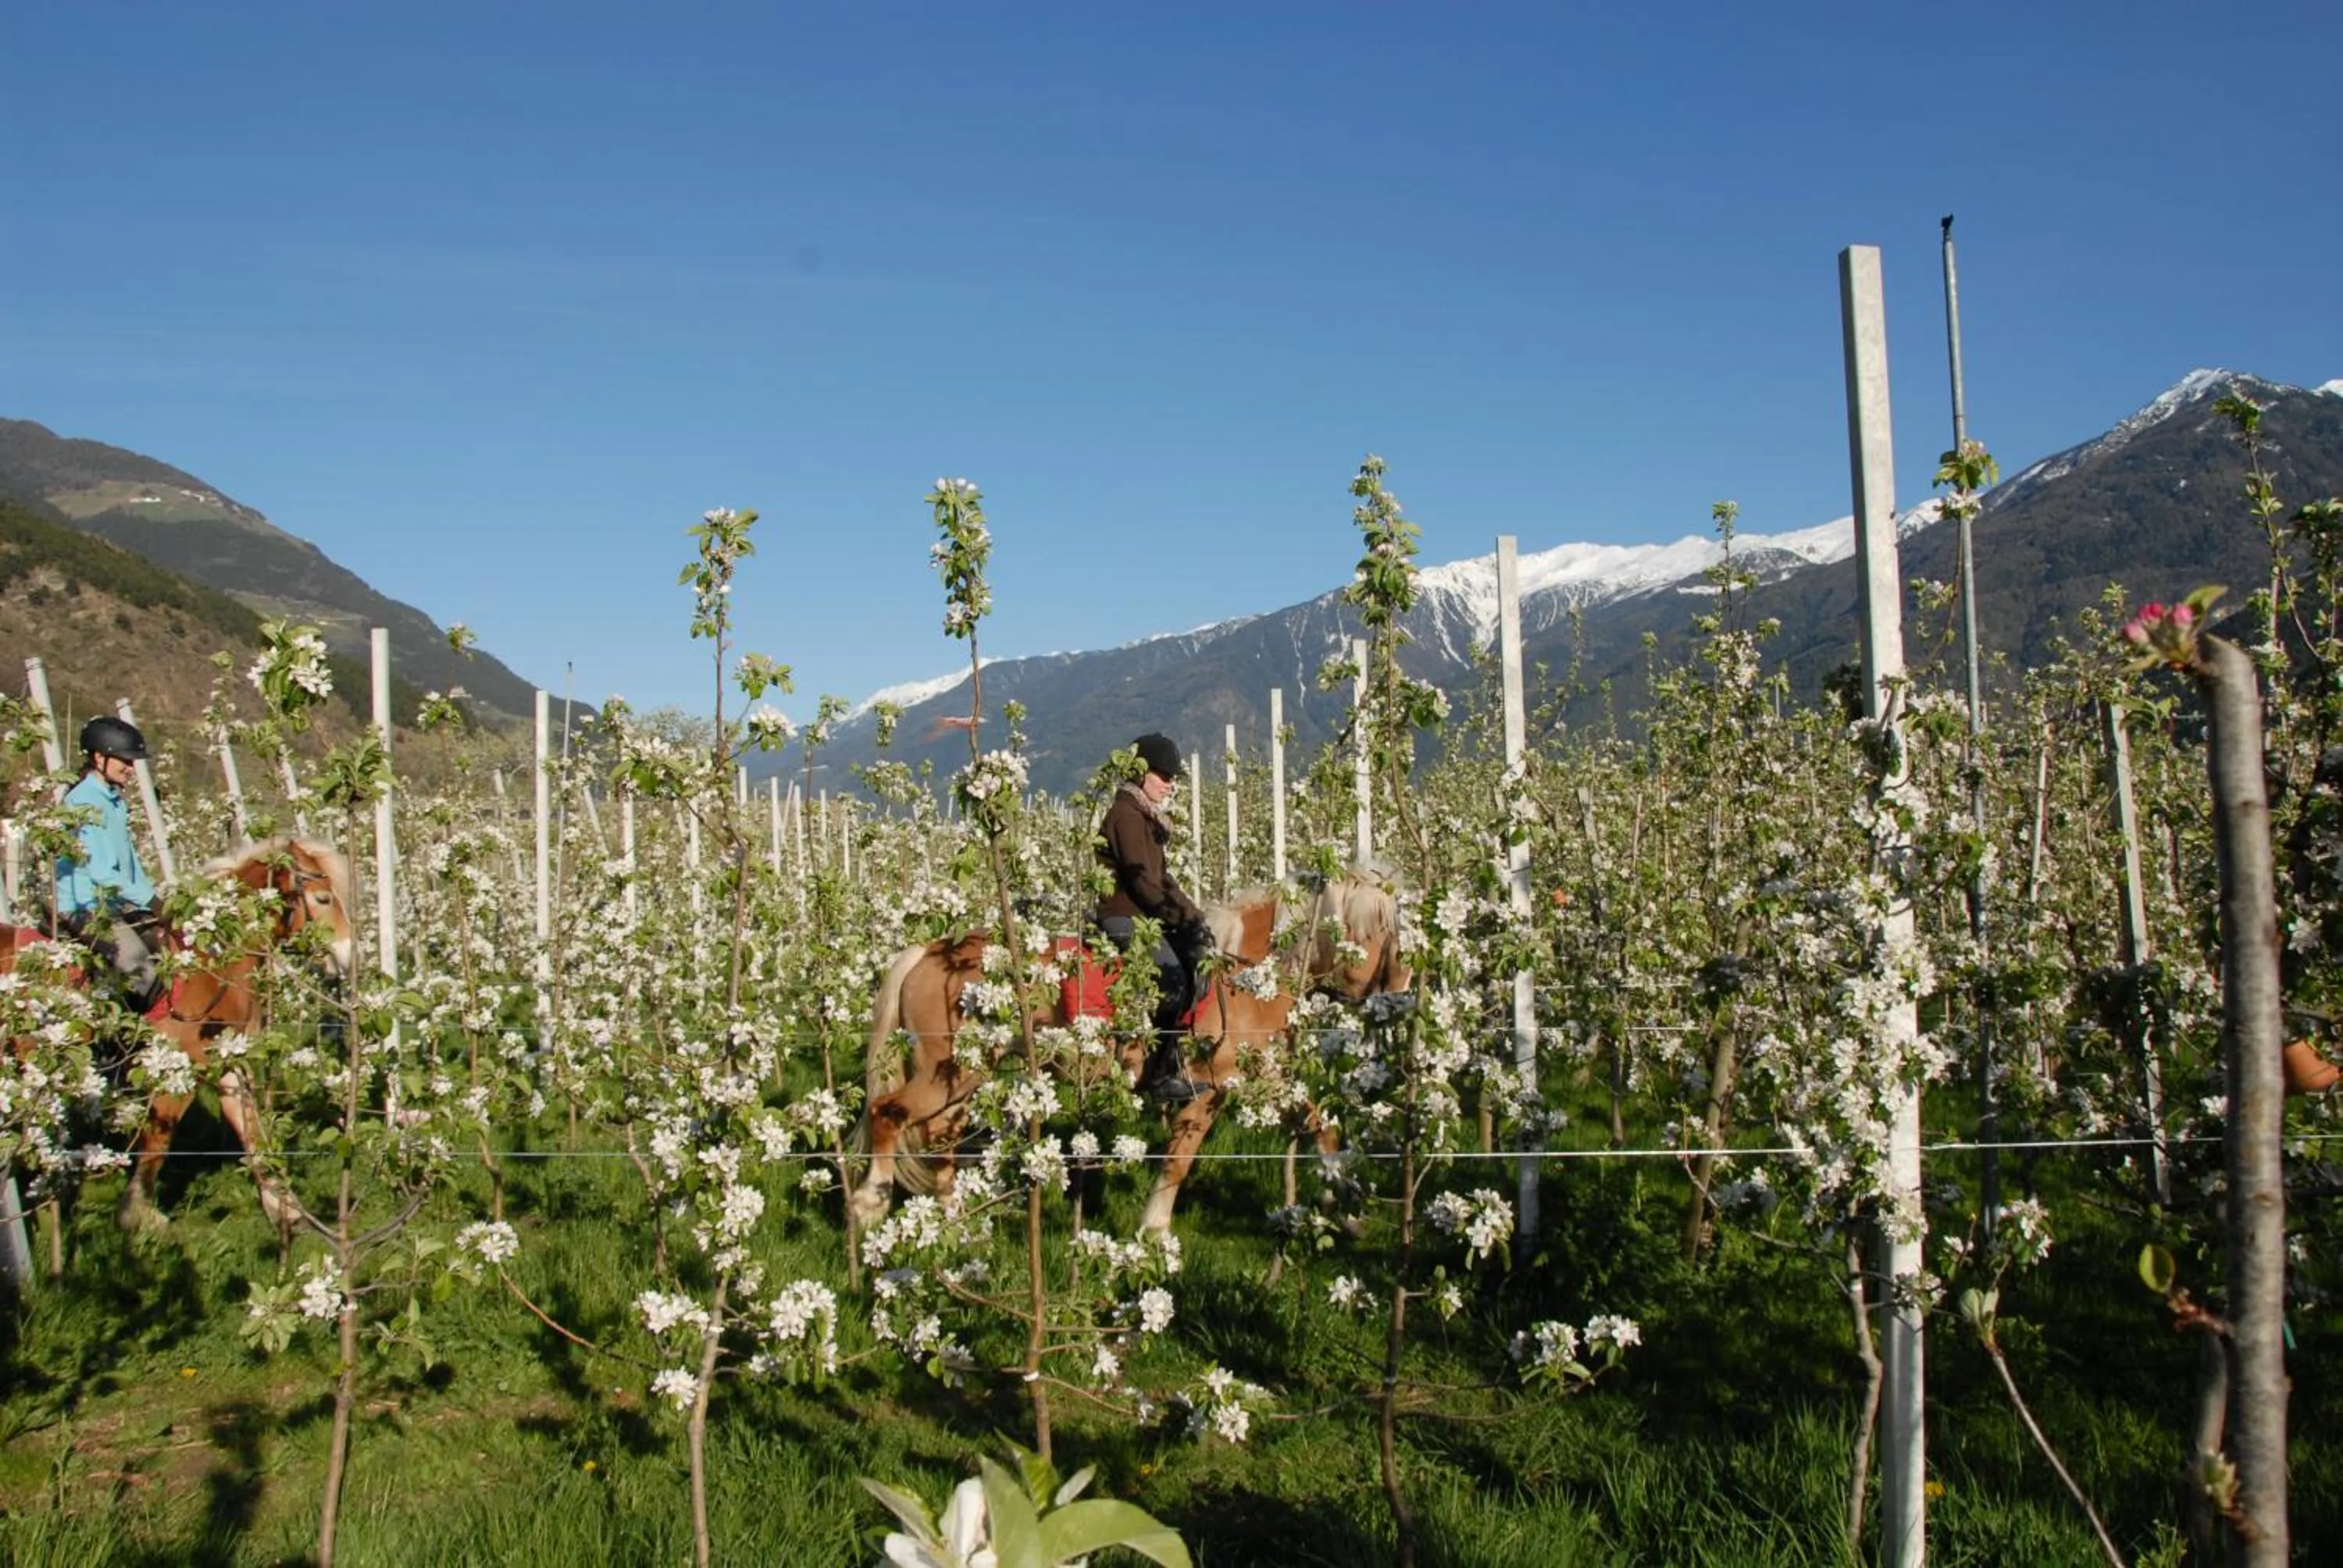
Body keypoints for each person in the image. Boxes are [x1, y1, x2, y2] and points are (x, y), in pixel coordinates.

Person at [1096, 732, 1211, 1101]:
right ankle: (1160, 1077)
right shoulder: (1126, 817)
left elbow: (1162, 879)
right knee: (1174, 980)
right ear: (1140, 775)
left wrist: (1193, 915)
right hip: (1123, 916)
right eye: (1164, 775)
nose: (1170, 784)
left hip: (1144, 915)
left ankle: (1176, 1059)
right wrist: (1179, 918)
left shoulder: (1144, 816)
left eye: (1173, 777)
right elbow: (1144, 883)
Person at [56, 715, 165, 1012]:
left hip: (111, 906)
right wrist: (150, 900)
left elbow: (129, 863)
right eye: (125, 762)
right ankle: (117, 1049)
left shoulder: (115, 801)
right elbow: (100, 870)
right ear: (99, 757)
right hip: (84, 907)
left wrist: (157, 902)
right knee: (140, 968)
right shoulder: (82, 802)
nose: (131, 770)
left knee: (169, 952)